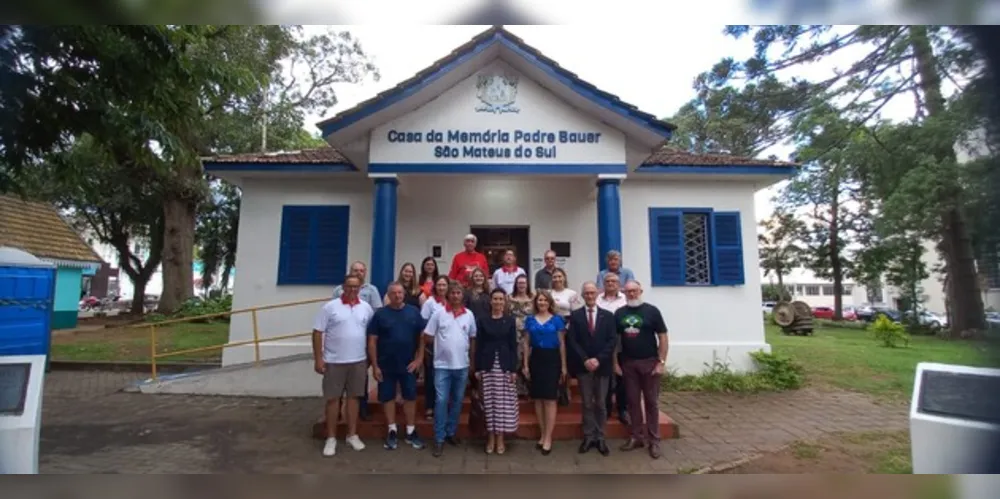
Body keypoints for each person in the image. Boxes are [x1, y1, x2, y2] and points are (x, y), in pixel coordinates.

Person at [312, 274, 374, 457]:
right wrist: (318, 358)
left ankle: (352, 434)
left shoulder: (366, 308)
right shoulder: (330, 307)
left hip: (358, 360)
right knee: (333, 399)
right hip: (334, 361)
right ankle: (331, 438)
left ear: (360, 289)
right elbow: (317, 332)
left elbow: (371, 334)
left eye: (356, 287)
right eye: (349, 286)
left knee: (354, 399)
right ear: (343, 287)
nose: (352, 290)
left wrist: (370, 359)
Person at [367, 282, 427, 451]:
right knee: (387, 397)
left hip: (408, 364)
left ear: (404, 295)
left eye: (400, 293)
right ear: (388, 295)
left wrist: (419, 358)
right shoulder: (380, 315)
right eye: (394, 293)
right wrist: (375, 365)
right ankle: (392, 430)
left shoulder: (413, 312)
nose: (397, 296)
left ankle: (410, 430)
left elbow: (422, 336)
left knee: (410, 397)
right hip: (385, 364)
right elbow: (372, 340)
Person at [613, 280, 669, 459]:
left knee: (652, 403)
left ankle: (654, 441)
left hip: (650, 363)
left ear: (640, 291)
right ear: (624, 292)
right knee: (633, 402)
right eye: (628, 291)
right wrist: (615, 363)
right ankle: (636, 437)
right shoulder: (619, 313)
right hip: (628, 364)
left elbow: (663, 337)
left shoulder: (652, 311)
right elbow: (615, 341)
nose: (631, 294)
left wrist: (661, 362)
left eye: (634, 291)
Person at [424, 280, 477, 458]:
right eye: (452, 293)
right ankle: (439, 438)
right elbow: (428, 336)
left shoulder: (469, 315)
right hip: (442, 366)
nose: (455, 295)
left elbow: (472, 338)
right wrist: (443, 347)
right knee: (441, 401)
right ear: (448, 295)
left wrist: (472, 361)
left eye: (458, 293)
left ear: (463, 296)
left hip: (462, 365)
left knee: (457, 401)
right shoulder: (439, 314)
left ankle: (450, 433)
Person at [565, 282, 616, 456]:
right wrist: (586, 359)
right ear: (582, 295)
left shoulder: (608, 316)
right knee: (587, 403)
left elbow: (612, 341)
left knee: (601, 403)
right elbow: (572, 341)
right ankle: (588, 436)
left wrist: (598, 359)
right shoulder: (576, 316)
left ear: (597, 294)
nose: (589, 296)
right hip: (583, 366)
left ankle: (600, 437)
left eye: (592, 293)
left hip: (602, 367)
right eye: (586, 293)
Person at [332, 260, 382, 421]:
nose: (358, 273)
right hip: (342, 341)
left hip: (364, 338)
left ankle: (362, 408)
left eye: (361, 271)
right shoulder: (338, 290)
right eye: (355, 270)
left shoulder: (371, 290)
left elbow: (376, 314)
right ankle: (337, 409)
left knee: (361, 376)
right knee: (338, 380)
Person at [522, 289, 567, 455]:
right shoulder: (530, 320)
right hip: (536, 359)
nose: (542, 303)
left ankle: (548, 437)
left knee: (549, 399)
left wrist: (563, 366)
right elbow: (526, 343)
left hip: (552, 359)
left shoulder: (557, 320)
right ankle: (542, 433)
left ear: (549, 303)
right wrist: (525, 364)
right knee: (538, 399)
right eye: (539, 300)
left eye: (544, 300)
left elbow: (562, 344)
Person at [474, 288, 519, 455]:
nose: (498, 302)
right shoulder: (483, 321)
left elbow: (513, 346)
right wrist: (478, 368)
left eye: (501, 299)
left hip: (504, 366)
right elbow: (478, 346)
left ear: (504, 302)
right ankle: (490, 437)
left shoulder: (510, 321)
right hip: (487, 366)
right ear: (490, 301)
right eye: (495, 299)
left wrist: (514, 369)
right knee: (489, 404)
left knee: (502, 405)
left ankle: (500, 438)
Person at [596, 272, 629, 424]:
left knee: (622, 377)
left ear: (619, 284)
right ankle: (606, 408)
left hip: (623, 343)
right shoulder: (597, 299)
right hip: (602, 345)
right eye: (607, 281)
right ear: (603, 283)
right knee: (605, 378)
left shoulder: (625, 299)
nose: (610, 283)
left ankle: (623, 409)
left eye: (613, 281)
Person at [420, 275, 450, 421]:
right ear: (435, 287)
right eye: (439, 285)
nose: (442, 288)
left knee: (447, 377)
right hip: (432, 345)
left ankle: (444, 406)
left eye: (444, 285)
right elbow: (423, 325)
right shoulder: (429, 303)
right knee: (432, 377)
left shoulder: (453, 302)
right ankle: (430, 406)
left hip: (449, 345)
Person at [507, 274, 534, 397]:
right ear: (516, 285)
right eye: (519, 283)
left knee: (528, 361)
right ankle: (516, 390)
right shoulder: (509, 299)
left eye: (524, 283)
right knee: (516, 361)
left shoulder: (533, 299)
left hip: (530, 335)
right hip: (514, 335)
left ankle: (528, 389)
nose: (522, 285)